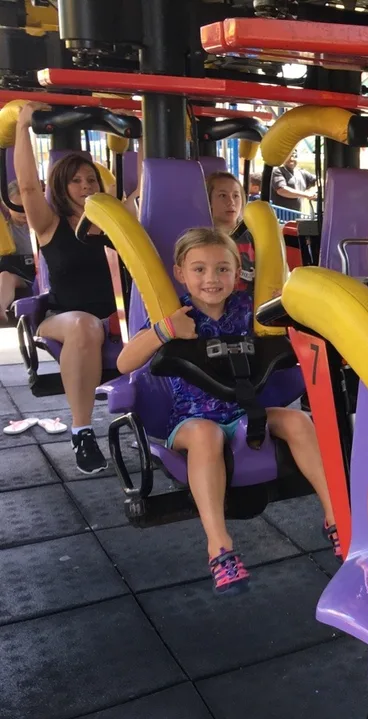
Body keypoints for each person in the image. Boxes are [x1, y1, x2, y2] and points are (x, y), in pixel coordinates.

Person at [116, 227, 342, 594]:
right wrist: (165, 331)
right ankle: (219, 546)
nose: (211, 279)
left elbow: (296, 336)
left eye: (223, 269)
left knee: (299, 420)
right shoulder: (173, 314)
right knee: (205, 435)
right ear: (180, 273)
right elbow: (126, 362)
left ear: (238, 273)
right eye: (199, 269)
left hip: (246, 412)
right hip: (191, 419)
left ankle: (336, 518)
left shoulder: (249, 310)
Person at [13, 101, 123, 474]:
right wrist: (23, 127)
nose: (85, 186)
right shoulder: (50, 223)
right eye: (76, 180)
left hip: (115, 319)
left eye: (91, 179)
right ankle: (82, 430)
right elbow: (27, 186)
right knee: (83, 325)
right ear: (61, 186)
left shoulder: (115, 225)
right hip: (63, 317)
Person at [206, 171, 255, 296]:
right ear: (209, 200)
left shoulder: (254, 236)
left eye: (236, 196)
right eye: (223, 195)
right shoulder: (202, 239)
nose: (231, 202)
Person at [0, 180, 36, 318]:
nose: (23, 212)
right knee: (5, 276)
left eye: (27, 207)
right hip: (19, 274)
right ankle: (1, 308)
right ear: (7, 205)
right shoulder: (6, 229)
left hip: (39, 273)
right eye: (18, 207)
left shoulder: (41, 227)